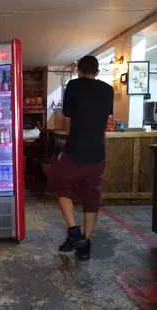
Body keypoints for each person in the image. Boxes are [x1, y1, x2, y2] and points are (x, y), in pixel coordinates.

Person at [54, 55, 114, 260]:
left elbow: (67, 114)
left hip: (76, 150)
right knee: (91, 197)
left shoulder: (73, 85)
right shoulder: (108, 89)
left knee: (61, 186)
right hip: (98, 152)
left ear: (78, 70)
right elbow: (106, 116)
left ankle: (74, 233)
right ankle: (85, 246)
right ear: (98, 72)